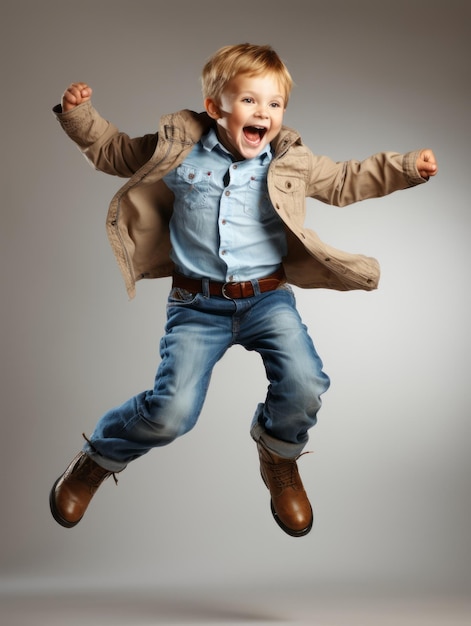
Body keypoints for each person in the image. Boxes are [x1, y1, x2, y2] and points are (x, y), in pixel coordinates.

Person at [49, 43, 438, 537]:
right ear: (216, 108)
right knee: (170, 414)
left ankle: (278, 453)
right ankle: (97, 459)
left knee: (306, 383)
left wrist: (406, 168)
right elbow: (115, 151)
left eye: (275, 104)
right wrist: (79, 115)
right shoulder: (179, 147)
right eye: (251, 101)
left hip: (266, 299)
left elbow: (344, 180)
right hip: (197, 305)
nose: (264, 114)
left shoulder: (289, 161)